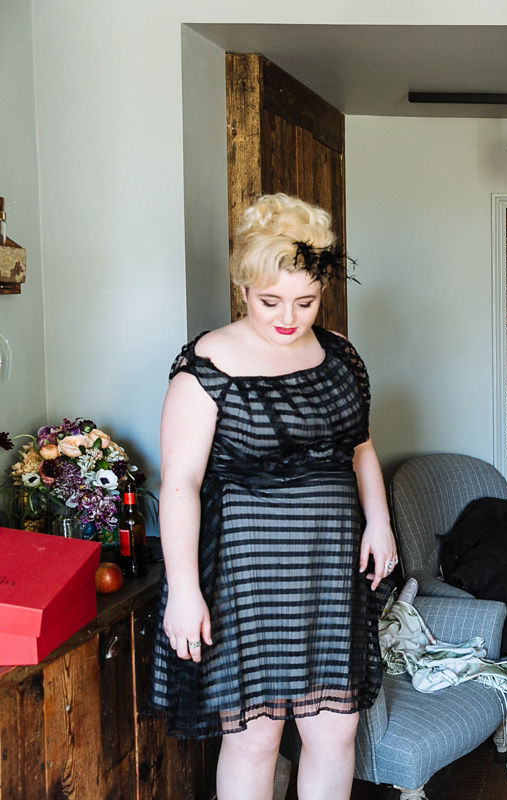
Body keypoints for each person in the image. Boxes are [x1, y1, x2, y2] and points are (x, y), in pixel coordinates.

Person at [149, 193, 397, 800]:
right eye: (270, 301)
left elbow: (359, 445)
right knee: (255, 739)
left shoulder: (339, 355)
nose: (288, 317)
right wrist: (184, 590)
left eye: (306, 301)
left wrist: (380, 522)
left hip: (328, 566)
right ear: (243, 287)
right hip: (247, 573)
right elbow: (178, 483)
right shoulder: (207, 364)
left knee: (336, 731)